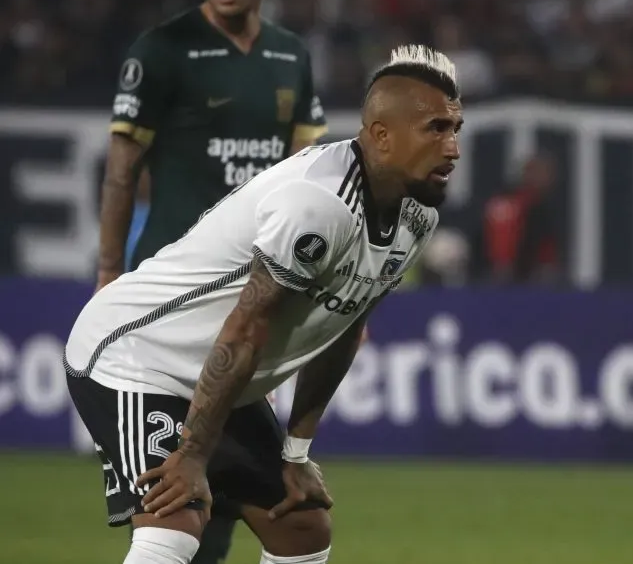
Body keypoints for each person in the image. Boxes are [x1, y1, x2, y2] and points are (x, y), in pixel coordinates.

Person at [65, 44, 462, 564]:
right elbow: (245, 329)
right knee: (176, 518)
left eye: (456, 128)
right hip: (136, 356)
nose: (453, 148)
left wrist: (296, 453)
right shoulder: (317, 204)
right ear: (382, 136)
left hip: (216, 379)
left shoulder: (416, 218)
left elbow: (343, 326)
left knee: (301, 527)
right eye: (437, 128)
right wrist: (191, 455)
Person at [96, 0, 327, 562]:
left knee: (238, 501)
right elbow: (120, 173)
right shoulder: (162, 51)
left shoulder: (291, 57)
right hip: (169, 310)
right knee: (179, 503)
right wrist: (108, 275)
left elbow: (307, 178)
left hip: (251, 309)